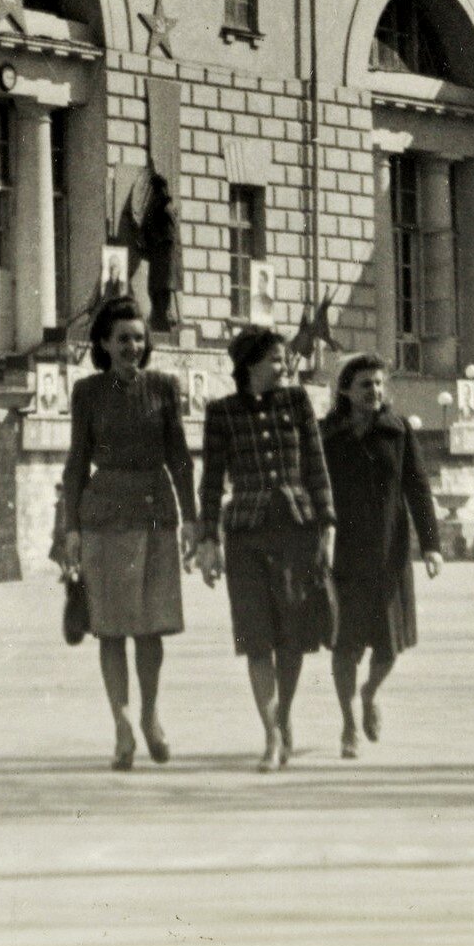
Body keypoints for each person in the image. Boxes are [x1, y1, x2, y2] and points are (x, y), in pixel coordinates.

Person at [56, 296, 198, 771]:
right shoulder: (87, 392)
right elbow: (76, 461)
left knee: (151, 626)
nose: (132, 346)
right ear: (103, 343)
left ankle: (150, 715)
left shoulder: (164, 387)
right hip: (103, 517)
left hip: (157, 511)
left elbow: (179, 457)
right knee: (111, 629)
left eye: (139, 338)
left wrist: (193, 519)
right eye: (123, 339)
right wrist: (69, 527)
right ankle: (120, 726)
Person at [197, 325, 336, 771]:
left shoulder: (298, 403)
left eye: (284, 359)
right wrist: (207, 538)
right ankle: (272, 734)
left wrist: (327, 524)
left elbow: (316, 465)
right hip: (246, 536)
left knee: (292, 636)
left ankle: (285, 713)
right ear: (250, 365)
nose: (284, 366)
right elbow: (212, 480)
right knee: (257, 637)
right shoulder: (221, 413)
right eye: (275, 359)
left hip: (296, 529)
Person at [321, 354, 441, 758]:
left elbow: (419, 490)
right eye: (364, 385)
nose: (373, 391)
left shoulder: (399, 431)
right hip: (344, 556)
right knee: (345, 646)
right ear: (345, 391)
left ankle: (369, 693)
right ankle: (348, 723)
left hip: (389, 552)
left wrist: (431, 546)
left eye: (378, 384)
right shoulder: (327, 435)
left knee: (389, 648)